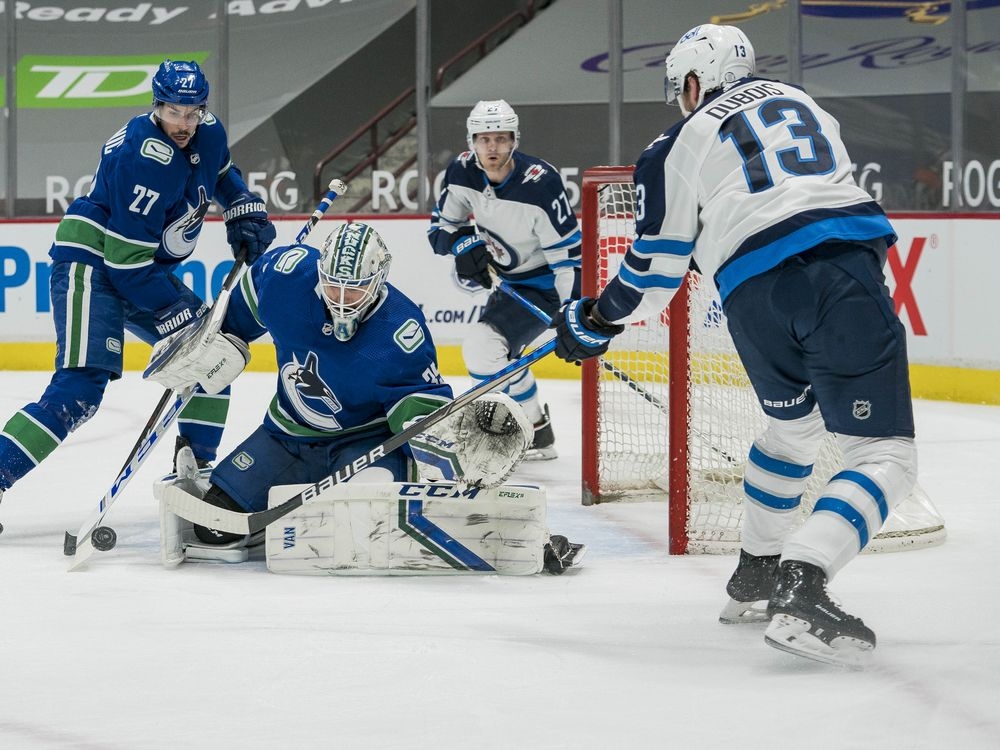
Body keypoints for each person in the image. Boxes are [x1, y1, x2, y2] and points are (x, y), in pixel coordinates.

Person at [552, 24, 916, 667]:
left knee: (792, 430)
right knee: (884, 454)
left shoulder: (673, 145)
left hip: (751, 297)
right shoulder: (804, 102)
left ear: (693, 83)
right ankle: (800, 583)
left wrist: (597, 319)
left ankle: (756, 572)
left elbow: (657, 271)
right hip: (838, 270)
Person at [148, 221, 584, 574]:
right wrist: (206, 345)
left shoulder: (401, 331)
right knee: (212, 530)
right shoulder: (285, 275)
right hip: (285, 436)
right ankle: (270, 512)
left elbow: (419, 415)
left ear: (378, 281)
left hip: (364, 444)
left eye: (353, 290)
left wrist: (444, 453)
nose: (341, 300)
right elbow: (230, 325)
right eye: (332, 287)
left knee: (359, 523)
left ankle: (371, 495)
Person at [0, 60, 276, 518]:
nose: (184, 123)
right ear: (157, 106)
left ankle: (196, 473)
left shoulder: (207, 132)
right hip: (94, 264)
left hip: (141, 267)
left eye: (193, 112)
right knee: (78, 391)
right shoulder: (142, 160)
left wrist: (240, 205)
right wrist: (174, 311)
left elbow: (222, 172)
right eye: (174, 112)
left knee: (212, 359)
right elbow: (124, 265)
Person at [427, 99, 581, 461]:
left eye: (501, 138)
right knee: (493, 354)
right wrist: (463, 244)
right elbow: (440, 230)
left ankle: (512, 432)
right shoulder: (461, 173)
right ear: (472, 141)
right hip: (509, 282)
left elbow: (569, 260)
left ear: (514, 140)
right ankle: (536, 430)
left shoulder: (540, 184)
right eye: (484, 139)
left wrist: (568, 310)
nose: (492, 147)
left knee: (482, 351)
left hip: (545, 285)